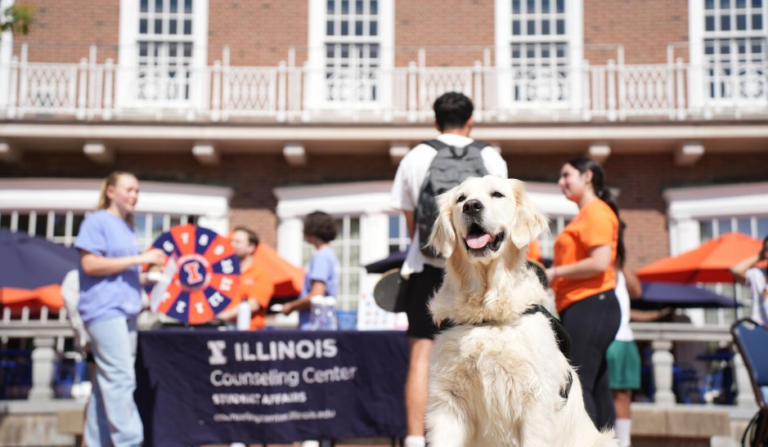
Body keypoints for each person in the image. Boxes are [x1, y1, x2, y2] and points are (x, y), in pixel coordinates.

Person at [390, 91, 508, 447]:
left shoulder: (417, 155)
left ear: (435, 120)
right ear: (471, 120)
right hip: (479, 273)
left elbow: (410, 217)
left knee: (422, 355)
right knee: (485, 351)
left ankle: (415, 439)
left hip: (429, 268)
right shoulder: (491, 156)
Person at [76, 171, 166, 447]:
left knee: (107, 384)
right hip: (105, 311)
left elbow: (119, 270)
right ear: (111, 191)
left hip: (126, 312)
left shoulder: (128, 227)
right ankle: (130, 442)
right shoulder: (97, 221)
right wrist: (141, 258)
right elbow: (90, 264)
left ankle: (97, 443)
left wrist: (147, 275)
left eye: (137, 190)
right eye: (129, 189)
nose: (134, 195)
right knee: (121, 379)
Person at [545, 157, 621, 430]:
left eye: (567, 175)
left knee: (578, 384)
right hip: (583, 304)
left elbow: (600, 262)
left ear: (587, 176)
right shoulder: (586, 214)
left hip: (591, 302)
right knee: (597, 384)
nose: (561, 182)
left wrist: (554, 273)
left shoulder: (596, 212)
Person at [606, 222, 643, 447]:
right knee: (608, 394)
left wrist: (622, 265)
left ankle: (624, 442)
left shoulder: (619, 268)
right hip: (609, 337)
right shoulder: (600, 264)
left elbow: (637, 291)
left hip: (625, 338)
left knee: (624, 395)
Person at [281, 211, 340, 323]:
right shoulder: (330, 254)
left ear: (312, 229)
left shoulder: (321, 257)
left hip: (315, 324)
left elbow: (316, 295)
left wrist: (291, 306)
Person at [216, 227, 275, 329]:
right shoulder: (222, 273)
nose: (232, 245)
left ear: (251, 247)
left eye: (237, 242)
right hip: (221, 329)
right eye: (231, 241)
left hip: (248, 333)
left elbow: (254, 304)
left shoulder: (261, 275)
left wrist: (221, 316)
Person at [731, 235, 768, 326]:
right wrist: (759, 256)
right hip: (760, 331)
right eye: (767, 249)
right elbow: (736, 270)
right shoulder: (758, 275)